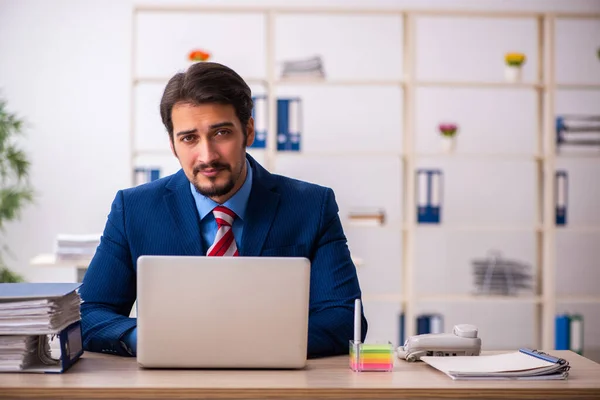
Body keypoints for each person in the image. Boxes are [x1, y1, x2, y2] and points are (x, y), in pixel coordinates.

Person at [79, 61, 367, 358]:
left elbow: (344, 317)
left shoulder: (311, 206)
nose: (207, 156)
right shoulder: (134, 209)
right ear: (173, 145)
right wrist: (150, 338)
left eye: (221, 133)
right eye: (189, 138)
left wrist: (244, 343)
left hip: (275, 385)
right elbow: (89, 313)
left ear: (249, 131)